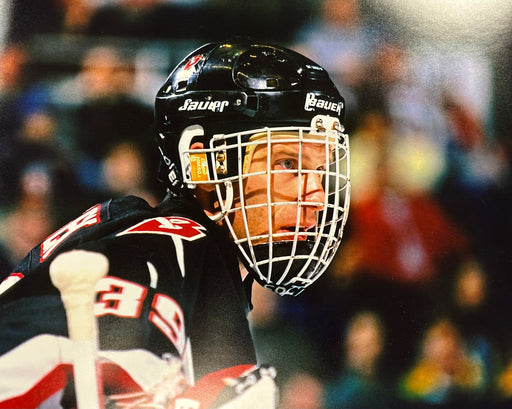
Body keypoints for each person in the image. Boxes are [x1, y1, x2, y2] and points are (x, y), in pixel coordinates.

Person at [0, 39, 350, 409]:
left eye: (320, 169)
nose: (316, 193)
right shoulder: (168, 244)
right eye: (286, 164)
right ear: (206, 163)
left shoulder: (185, 258)